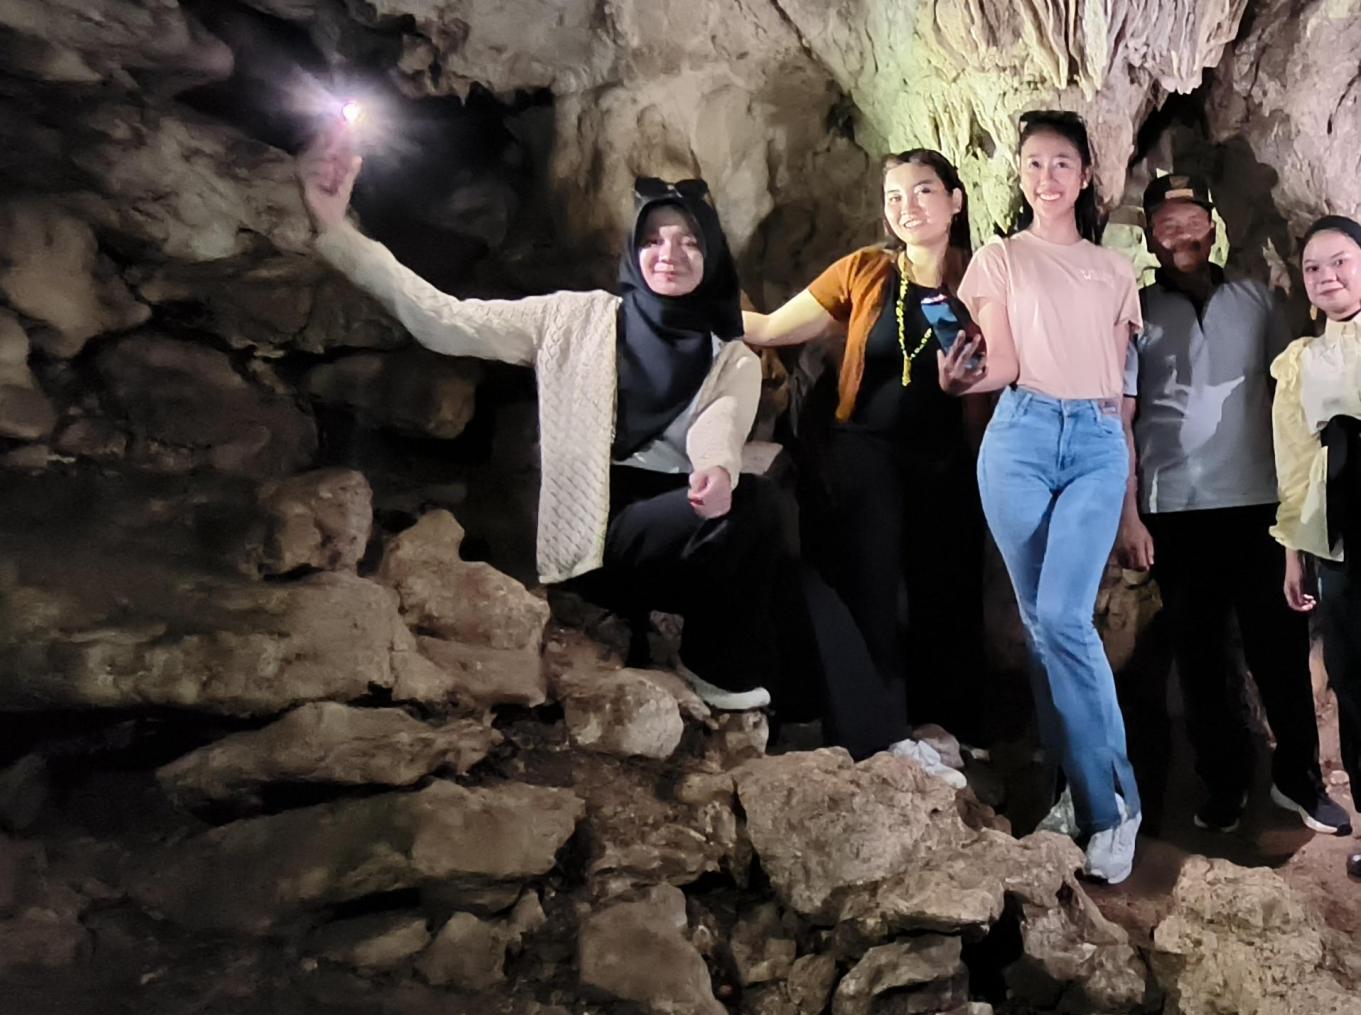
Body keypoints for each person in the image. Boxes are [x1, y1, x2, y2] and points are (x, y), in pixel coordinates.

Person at [298, 139, 780, 712]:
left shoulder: (732, 358)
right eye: (652, 240)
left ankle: (719, 668)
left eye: (689, 241)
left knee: (763, 508)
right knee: (758, 516)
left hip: (675, 519)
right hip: (592, 530)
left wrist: (718, 470)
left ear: (712, 256)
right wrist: (338, 232)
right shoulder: (573, 319)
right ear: (634, 250)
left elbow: (718, 425)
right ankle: (700, 657)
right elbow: (446, 321)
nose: (668, 254)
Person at [939, 110, 1143, 883]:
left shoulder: (1113, 269)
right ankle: (1069, 788)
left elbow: (1118, 390)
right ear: (1019, 176)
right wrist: (960, 379)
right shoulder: (999, 259)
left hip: (1093, 438)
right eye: (1032, 163)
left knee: (1062, 618)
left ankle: (1111, 804)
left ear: (1085, 176)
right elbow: (1001, 361)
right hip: (1019, 436)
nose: (1046, 176)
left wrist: (1128, 495)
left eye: (1061, 162)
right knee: (1041, 630)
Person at [742, 149, 989, 770]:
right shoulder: (865, 270)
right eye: (895, 197)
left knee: (945, 588)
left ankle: (948, 724)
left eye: (923, 191)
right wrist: (682, 306)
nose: (907, 207)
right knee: (869, 585)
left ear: (955, 201)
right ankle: (875, 732)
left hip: (947, 456)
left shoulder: (983, 277)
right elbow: (770, 328)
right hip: (864, 450)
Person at [1117, 175, 1349, 836]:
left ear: (1212, 227)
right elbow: (1120, 415)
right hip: (1175, 505)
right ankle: (1223, 781)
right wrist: (1129, 513)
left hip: (1257, 503)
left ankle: (1297, 777)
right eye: (1166, 223)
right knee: (1200, 655)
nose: (1181, 234)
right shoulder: (1134, 312)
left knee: (1278, 647)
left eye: (1191, 220)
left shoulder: (1258, 301)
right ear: (1150, 237)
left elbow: (1291, 399)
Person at [1270, 214, 1361, 877]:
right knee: (1353, 683)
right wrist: (1292, 553)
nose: (1326, 276)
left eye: (1340, 262)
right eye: (1312, 268)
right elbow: (1295, 463)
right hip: (1341, 535)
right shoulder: (1302, 362)